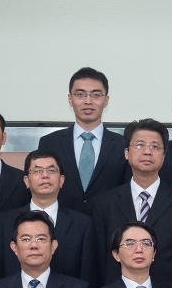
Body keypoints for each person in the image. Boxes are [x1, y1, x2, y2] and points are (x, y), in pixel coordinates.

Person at [91, 119, 172, 288]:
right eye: (140, 145)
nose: (147, 152)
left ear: (164, 155)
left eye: (155, 146)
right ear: (126, 152)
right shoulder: (104, 204)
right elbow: (97, 263)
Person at [0, 150, 96, 285]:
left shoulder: (82, 224)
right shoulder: (4, 222)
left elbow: (87, 276)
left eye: (51, 170)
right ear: (26, 181)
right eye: (38, 171)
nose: (45, 175)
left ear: (61, 180)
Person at [37, 67, 131, 217]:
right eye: (80, 94)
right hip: (62, 227)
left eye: (96, 95)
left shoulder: (123, 144)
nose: (88, 101)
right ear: (70, 99)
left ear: (106, 100)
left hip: (108, 226)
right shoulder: (50, 143)